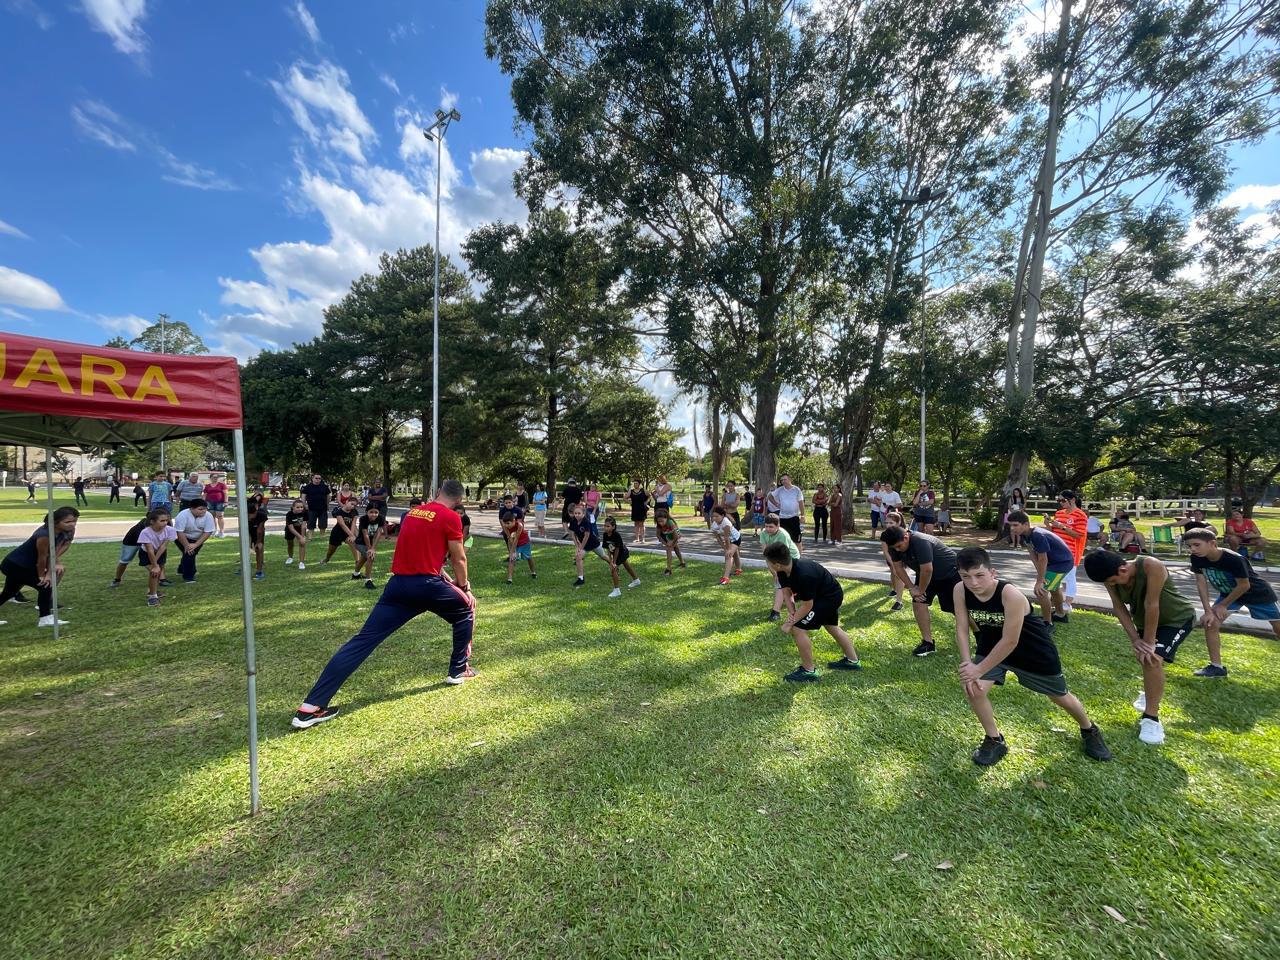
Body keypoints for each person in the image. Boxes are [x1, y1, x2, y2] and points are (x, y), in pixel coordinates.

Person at [292, 480, 477, 729]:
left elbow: (419, 554)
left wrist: (445, 579)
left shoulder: (413, 513)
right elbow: (459, 557)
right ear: (459, 501)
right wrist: (463, 587)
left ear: (436, 493)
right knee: (465, 609)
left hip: (399, 586)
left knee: (362, 641)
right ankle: (458, 670)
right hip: (427, 586)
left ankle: (310, 707)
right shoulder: (451, 517)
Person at [952, 547, 1112, 766]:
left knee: (1060, 696)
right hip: (991, 647)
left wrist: (978, 669)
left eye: (979, 575)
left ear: (992, 572)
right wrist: (967, 663)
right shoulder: (960, 590)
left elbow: (1010, 640)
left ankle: (1089, 729)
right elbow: (961, 626)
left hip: (1032, 650)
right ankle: (994, 739)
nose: (973, 583)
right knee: (973, 688)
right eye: (966, 576)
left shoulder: (1010, 594)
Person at [1084, 550, 1196, 746]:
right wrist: (1136, 639)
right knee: (1145, 658)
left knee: (1152, 657)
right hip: (1145, 622)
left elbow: (1151, 604)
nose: (1111, 584)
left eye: (1112, 580)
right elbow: (1119, 608)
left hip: (1176, 620)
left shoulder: (1151, 565)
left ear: (1123, 568)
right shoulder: (1110, 577)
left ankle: (1151, 718)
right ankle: (1150, 692)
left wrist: (1149, 643)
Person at [1185, 530, 1280, 677]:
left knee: (1278, 628)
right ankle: (1216, 667)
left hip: (1258, 594)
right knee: (1211, 623)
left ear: (1212, 543)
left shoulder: (1233, 559)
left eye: (1197, 545)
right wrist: (1208, 610)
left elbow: (1244, 585)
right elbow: (1200, 582)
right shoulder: (1197, 558)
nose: (1193, 549)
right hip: (1229, 594)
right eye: (1189, 546)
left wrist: (1223, 605)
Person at [763, 543, 862, 682]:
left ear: (777, 564)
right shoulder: (782, 571)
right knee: (831, 626)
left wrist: (789, 623)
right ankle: (852, 661)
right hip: (822, 596)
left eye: (768, 561)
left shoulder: (804, 574)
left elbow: (808, 605)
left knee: (798, 629)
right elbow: (786, 592)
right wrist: (792, 613)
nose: (767, 564)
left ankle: (809, 671)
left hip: (829, 597)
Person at [881, 525, 962, 658]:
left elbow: (927, 569)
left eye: (899, 546)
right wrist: (912, 588)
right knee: (918, 604)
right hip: (926, 575)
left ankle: (982, 637)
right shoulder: (895, 545)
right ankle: (928, 643)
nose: (897, 550)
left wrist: (920, 590)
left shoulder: (921, 542)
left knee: (959, 610)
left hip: (949, 575)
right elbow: (898, 568)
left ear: (906, 537)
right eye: (894, 547)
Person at [0, 507, 78, 627]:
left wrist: (53, 565)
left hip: (23, 564)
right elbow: (42, 558)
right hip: (15, 565)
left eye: (74, 521)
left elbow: (55, 551)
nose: (72, 524)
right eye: (67, 522)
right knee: (46, 585)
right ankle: (45, 619)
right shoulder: (44, 535)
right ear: (55, 522)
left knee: (8, 593)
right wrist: (43, 575)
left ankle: (45, 618)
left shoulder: (67, 531)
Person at [1007, 511, 1073, 627]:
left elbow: (1043, 559)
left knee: (1040, 591)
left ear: (1026, 524)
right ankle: (1061, 615)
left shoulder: (1038, 535)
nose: (1012, 528)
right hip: (1053, 563)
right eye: (1010, 525)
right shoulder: (1024, 535)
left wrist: (1040, 580)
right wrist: (1041, 573)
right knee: (1054, 588)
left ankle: (1048, 623)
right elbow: (1032, 554)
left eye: (1015, 525)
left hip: (1062, 563)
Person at [1048, 490, 1088, 617]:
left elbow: (1078, 534)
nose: (1061, 503)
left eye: (1063, 500)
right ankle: (1055, 601)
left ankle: (1068, 603)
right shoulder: (1059, 513)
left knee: (1070, 578)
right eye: (1059, 500)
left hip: (1071, 551)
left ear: (1072, 500)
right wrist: (1048, 525)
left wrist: (1062, 526)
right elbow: (1053, 531)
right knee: (1055, 577)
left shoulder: (1080, 515)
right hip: (1056, 551)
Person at [759, 513, 800, 622]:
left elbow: (783, 556)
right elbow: (766, 555)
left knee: (782, 584)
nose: (768, 529)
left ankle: (776, 611)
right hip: (775, 559)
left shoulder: (783, 535)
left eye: (771, 526)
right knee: (781, 584)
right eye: (766, 526)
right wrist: (774, 572)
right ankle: (780, 605)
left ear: (778, 526)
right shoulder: (763, 534)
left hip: (790, 559)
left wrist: (778, 572)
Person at [172, 499, 216, 583]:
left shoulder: (208, 516)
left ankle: (181, 569)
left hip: (198, 538)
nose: (203, 511)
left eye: (205, 509)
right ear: (191, 508)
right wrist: (186, 545)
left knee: (190, 553)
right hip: (182, 537)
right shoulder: (183, 515)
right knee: (189, 553)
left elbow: (208, 532)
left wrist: (196, 544)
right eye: (200, 509)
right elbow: (179, 532)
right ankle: (188, 576)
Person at [567, 502, 608, 588]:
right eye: (575, 513)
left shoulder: (586, 522)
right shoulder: (573, 521)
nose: (577, 515)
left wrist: (581, 547)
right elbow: (572, 533)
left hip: (593, 543)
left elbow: (587, 536)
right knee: (578, 558)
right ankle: (581, 579)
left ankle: (613, 564)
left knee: (603, 556)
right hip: (583, 545)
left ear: (583, 513)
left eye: (579, 513)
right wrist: (577, 545)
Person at [601, 516, 641, 598]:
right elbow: (608, 548)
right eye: (604, 526)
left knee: (613, 569)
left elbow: (617, 549)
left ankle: (617, 590)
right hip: (614, 553)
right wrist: (610, 560)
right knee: (627, 566)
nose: (605, 528)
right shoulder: (605, 535)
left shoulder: (616, 535)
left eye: (608, 526)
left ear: (613, 527)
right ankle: (636, 580)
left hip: (622, 552)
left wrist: (614, 562)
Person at [353, 505, 388, 589]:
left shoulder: (380, 518)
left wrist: (373, 548)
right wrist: (370, 549)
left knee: (364, 558)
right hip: (360, 543)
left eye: (376, 512)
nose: (374, 514)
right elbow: (365, 535)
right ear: (366, 512)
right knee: (370, 557)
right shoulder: (363, 519)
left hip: (370, 543)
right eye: (371, 512)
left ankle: (355, 574)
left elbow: (379, 533)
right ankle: (368, 580)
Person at [110, 515, 151, 588]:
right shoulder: (143, 526)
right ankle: (117, 579)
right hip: (131, 542)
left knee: (148, 561)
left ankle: (159, 578)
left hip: (144, 541)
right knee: (124, 561)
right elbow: (144, 539)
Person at [880, 511, 908, 611]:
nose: (888, 525)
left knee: (899, 576)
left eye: (891, 523)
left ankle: (899, 601)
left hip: (901, 557)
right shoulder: (884, 534)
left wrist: (897, 567)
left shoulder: (903, 532)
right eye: (886, 522)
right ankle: (894, 589)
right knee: (893, 573)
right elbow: (885, 551)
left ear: (898, 523)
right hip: (890, 557)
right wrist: (892, 564)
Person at [768, 474, 805, 549]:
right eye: (782, 480)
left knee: (797, 540)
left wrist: (803, 515)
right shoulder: (780, 490)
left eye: (785, 479)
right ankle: (784, 557)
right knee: (783, 539)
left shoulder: (796, 490)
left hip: (794, 517)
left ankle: (798, 558)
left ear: (790, 480)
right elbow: (770, 496)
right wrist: (776, 504)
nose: (783, 481)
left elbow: (801, 503)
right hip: (783, 518)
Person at [709, 505, 743, 586]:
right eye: (713, 516)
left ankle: (725, 578)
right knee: (734, 554)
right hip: (729, 540)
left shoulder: (726, 523)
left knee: (728, 555)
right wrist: (724, 548)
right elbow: (718, 538)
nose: (714, 518)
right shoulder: (714, 525)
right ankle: (738, 569)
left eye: (716, 516)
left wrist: (727, 550)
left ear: (722, 516)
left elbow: (726, 538)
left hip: (736, 538)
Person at [323, 498, 361, 565]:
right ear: (347, 501)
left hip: (348, 532)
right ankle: (327, 559)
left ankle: (358, 562)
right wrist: (351, 535)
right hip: (337, 533)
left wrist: (352, 535)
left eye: (354, 506)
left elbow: (353, 524)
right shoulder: (339, 511)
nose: (352, 506)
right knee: (331, 550)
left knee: (353, 543)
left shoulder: (354, 512)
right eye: (351, 504)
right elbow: (342, 524)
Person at [503, 511, 537, 584]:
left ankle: (533, 572)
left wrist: (513, 551)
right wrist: (512, 552)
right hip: (515, 543)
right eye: (505, 523)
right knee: (512, 560)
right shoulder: (505, 527)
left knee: (529, 557)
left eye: (508, 523)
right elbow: (510, 538)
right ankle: (509, 579)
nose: (506, 525)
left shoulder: (520, 525)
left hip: (524, 542)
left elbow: (516, 539)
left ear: (514, 521)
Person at [243, 493, 268, 580]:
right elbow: (246, 532)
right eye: (248, 515)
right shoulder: (243, 516)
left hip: (258, 532)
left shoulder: (262, 515)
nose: (250, 517)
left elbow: (260, 530)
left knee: (259, 548)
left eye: (251, 515)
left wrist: (258, 542)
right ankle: (243, 568)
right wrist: (249, 546)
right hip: (247, 532)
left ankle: (259, 571)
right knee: (245, 550)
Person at [653, 506, 686, 575]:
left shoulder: (670, 523)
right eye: (659, 521)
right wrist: (665, 543)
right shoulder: (659, 525)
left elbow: (676, 536)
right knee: (675, 548)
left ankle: (668, 569)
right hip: (668, 535)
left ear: (666, 518)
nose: (661, 523)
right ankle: (682, 563)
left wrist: (672, 544)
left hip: (675, 535)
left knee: (669, 549)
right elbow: (658, 535)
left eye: (662, 521)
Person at [283, 498, 310, 569]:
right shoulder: (289, 514)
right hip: (290, 530)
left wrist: (302, 537)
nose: (300, 509)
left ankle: (301, 562)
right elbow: (291, 528)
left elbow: (304, 525)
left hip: (300, 529)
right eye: (297, 507)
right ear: (293, 507)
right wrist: (300, 537)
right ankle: (290, 557)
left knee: (302, 544)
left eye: (301, 507)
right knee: (290, 544)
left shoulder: (305, 513)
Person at [202, 473, 228, 537]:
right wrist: (203, 502)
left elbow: (225, 493)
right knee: (212, 517)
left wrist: (226, 502)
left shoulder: (222, 485)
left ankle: (221, 532)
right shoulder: (207, 486)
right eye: (214, 477)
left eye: (216, 477)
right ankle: (214, 530)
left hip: (220, 502)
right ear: (210, 478)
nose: (215, 478)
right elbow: (205, 495)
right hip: (209, 502)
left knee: (220, 516)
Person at [628, 479, 651, 544]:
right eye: (634, 483)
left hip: (642, 509)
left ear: (639, 484)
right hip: (634, 509)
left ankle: (643, 539)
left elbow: (649, 496)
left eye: (636, 483)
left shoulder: (643, 490)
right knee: (636, 524)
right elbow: (625, 498)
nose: (635, 484)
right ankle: (637, 538)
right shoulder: (631, 491)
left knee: (641, 524)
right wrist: (629, 502)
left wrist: (646, 502)